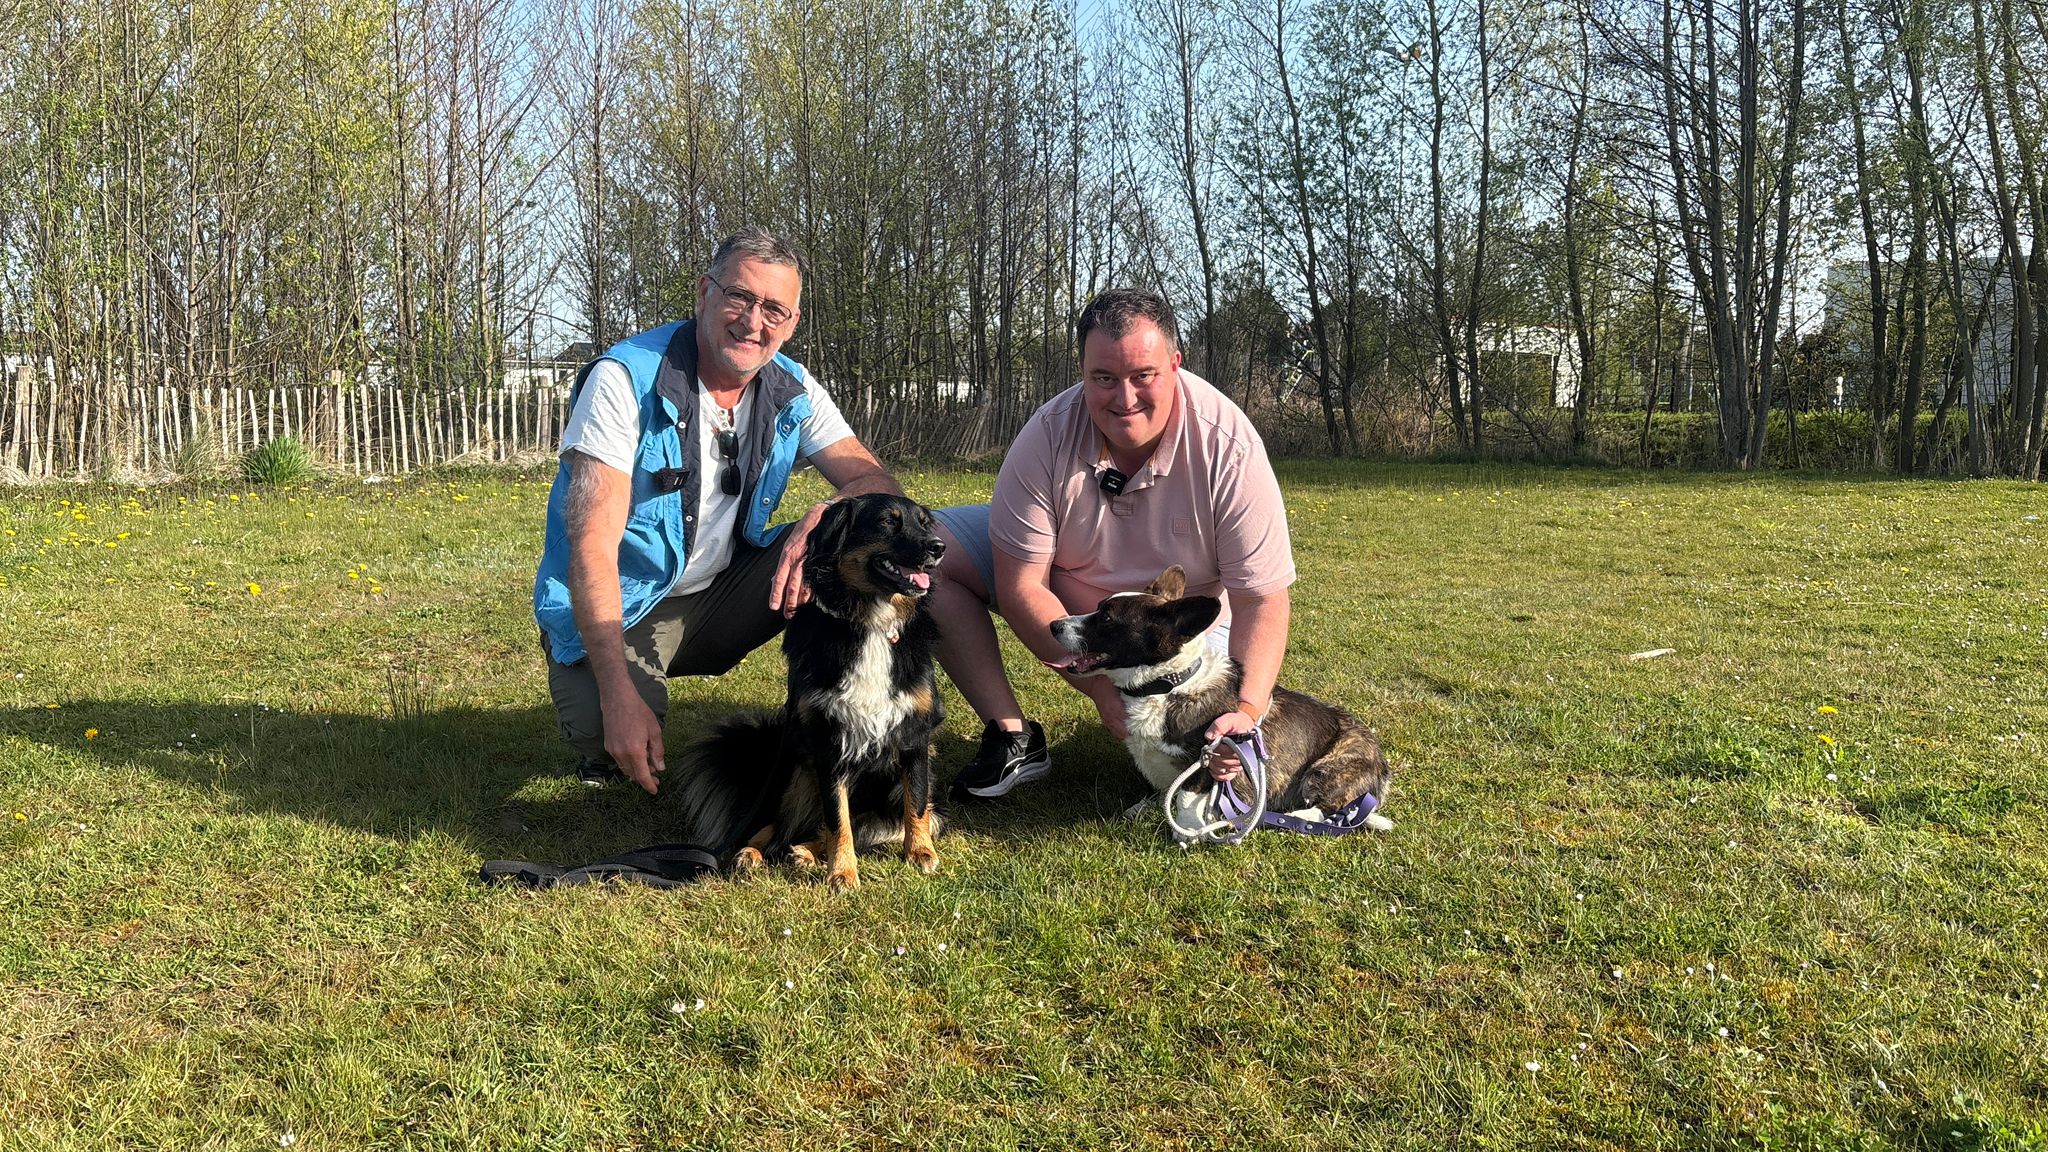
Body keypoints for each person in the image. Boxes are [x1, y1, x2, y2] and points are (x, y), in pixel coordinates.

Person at [533, 228, 906, 795]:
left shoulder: (792, 387)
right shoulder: (622, 379)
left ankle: (854, 717)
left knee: (873, 547)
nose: (753, 322)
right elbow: (591, 546)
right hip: (627, 603)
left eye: (774, 309)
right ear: (705, 292)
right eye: (740, 297)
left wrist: (827, 515)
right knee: (599, 726)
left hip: (726, 592)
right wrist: (617, 690)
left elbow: (875, 482)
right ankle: (604, 695)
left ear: (793, 321)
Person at [928, 288, 1297, 799]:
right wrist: (1101, 688)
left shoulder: (1227, 444)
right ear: (1082, 371)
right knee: (926, 559)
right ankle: (1011, 737)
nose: (1124, 399)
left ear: (1174, 363)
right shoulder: (1046, 435)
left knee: (1183, 755)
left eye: (1142, 376)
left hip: (1170, 624)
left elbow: (1262, 597)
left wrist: (1249, 710)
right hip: (1067, 585)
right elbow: (1022, 585)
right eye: (1104, 379)